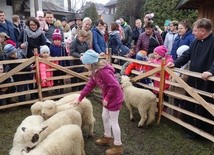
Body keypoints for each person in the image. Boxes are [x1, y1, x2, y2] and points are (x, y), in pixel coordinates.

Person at [167, 18, 214, 139]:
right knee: (190, 103)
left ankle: (202, 133)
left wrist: (210, 71)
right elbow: (187, 55)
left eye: (195, 30)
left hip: (207, 83)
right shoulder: (195, 41)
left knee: (204, 105)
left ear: (203, 31)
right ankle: (188, 128)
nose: (192, 33)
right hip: (193, 80)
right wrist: (175, 63)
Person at [72, 49, 124, 155]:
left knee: (114, 121)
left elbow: (115, 86)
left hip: (114, 98)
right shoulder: (95, 72)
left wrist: (107, 99)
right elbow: (89, 85)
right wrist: (79, 98)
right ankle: (107, 136)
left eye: (85, 64)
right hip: (107, 98)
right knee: (105, 116)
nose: (84, 66)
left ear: (91, 64)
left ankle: (118, 146)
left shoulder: (104, 72)